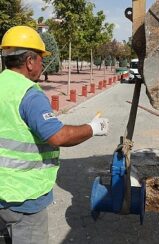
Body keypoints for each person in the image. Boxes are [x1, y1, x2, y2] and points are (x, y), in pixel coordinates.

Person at [0, 26, 109, 244]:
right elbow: (57, 136)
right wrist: (93, 128)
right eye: (41, 58)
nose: (42, 64)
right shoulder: (29, 94)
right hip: (24, 197)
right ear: (30, 61)